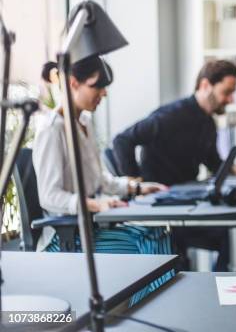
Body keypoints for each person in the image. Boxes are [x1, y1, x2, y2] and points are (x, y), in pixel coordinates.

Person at [33, 56, 173, 303]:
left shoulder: (84, 122)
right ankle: (146, 316)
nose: (104, 93)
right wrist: (96, 204)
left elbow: (101, 180)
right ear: (74, 83)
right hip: (64, 240)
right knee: (149, 240)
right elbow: (49, 196)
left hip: (89, 230)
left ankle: (150, 310)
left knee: (159, 233)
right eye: (97, 86)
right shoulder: (51, 129)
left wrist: (137, 187)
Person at [112, 60, 236, 271]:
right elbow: (122, 141)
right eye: (226, 92)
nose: (230, 99)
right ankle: (218, 291)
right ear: (205, 86)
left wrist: (235, 169)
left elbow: (212, 162)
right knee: (228, 236)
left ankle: (219, 290)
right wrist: (135, 187)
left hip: (187, 204)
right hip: (163, 209)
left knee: (233, 234)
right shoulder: (170, 116)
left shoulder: (208, 123)